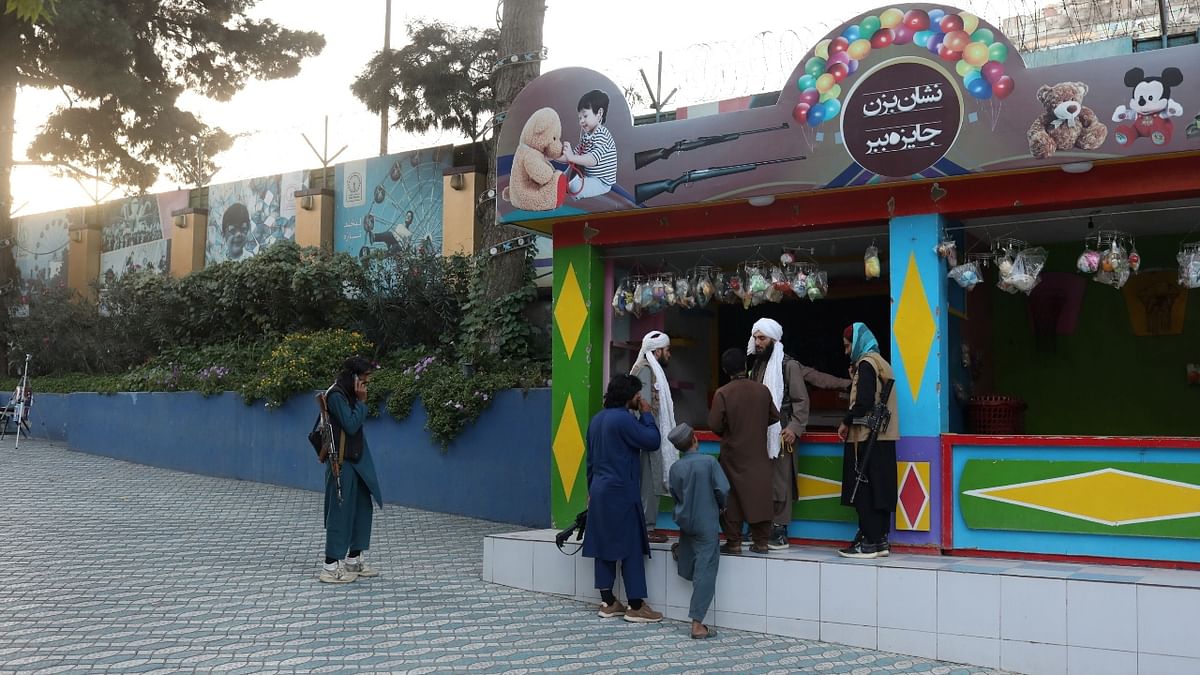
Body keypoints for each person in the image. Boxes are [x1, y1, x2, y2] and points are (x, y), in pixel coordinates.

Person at [748, 318, 851, 550]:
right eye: (755, 338)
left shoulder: (788, 365)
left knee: (781, 480)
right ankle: (761, 525)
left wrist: (794, 428)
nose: (757, 342)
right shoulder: (757, 365)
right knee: (761, 479)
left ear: (774, 340)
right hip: (760, 431)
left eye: (762, 338)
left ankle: (780, 528)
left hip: (783, 430)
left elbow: (801, 401)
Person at [582, 374, 664, 623]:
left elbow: (590, 462)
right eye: (638, 394)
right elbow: (652, 441)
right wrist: (647, 415)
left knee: (603, 544)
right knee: (630, 546)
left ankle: (608, 602)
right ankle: (636, 605)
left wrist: (590, 491)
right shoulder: (623, 420)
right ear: (630, 396)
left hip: (598, 489)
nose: (640, 398)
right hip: (621, 491)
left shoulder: (597, 420)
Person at [319, 356, 384, 583]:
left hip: (356, 459)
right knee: (341, 509)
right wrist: (362, 402)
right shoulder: (337, 395)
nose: (367, 382)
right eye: (365, 377)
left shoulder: (348, 395)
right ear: (354, 377)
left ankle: (354, 559)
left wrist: (358, 401)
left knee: (362, 508)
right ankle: (330, 564)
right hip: (343, 461)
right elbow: (351, 424)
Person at [837, 323, 899, 559]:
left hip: (866, 437)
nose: (846, 351)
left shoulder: (866, 364)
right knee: (881, 488)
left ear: (857, 343)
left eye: (847, 346)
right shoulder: (882, 363)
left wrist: (845, 421)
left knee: (865, 488)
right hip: (885, 437)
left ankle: (868, 542)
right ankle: (880, 540)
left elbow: (863, 401)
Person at [710, 348, 780, 554]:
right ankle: (761, 542)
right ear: (746, 366)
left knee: (730, 498)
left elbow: (714, 425)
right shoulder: (762, 390)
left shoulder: (722, 393)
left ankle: (734, 542)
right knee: (759, 495)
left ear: (725, 370)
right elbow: (774, 417)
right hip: (757, 453)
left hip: (732, 454)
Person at [667, 423, 728, 640]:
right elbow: (722, 489)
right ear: (695, 439)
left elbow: (674, 493)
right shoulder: (709, 462)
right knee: (706, 569)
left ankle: (681, 554)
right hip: (705, 522)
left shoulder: (676, 468)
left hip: (685, 521)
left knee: (691, 553)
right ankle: (697, 624)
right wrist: (721, 505)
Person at [630, 330, 676, 544]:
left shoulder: (651, 370)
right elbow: (644, 408)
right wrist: (648, 433)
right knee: (648, 481)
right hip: (647, 436)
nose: (669, 355)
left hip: (651, 434)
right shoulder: (645, 371)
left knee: (652, 479)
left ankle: (647, 526)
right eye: (667, 351)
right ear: (657, 351)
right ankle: (646, 528)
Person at [561, 89, 617, 200]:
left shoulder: (602, 134)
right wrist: (555, 156)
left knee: (574, 187)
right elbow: (573, 155)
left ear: (599, 113)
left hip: (601, 182)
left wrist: (572, 157)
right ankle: (562, 182)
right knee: (565, 172)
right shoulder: (586, 137)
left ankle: (570, 184)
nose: (581, 121)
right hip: (589, 176)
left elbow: (592, 160)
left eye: (585, 116)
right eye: (580, 118)